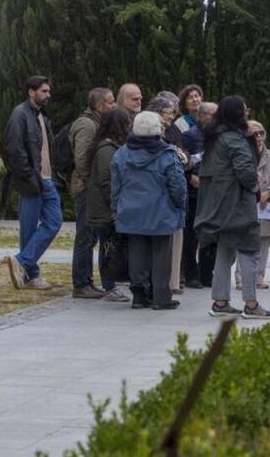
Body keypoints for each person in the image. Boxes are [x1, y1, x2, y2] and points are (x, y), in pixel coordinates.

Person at [194, 95, 270, 319]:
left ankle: (220, 302)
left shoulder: (214, 137)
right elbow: (246, 173)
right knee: (249, 251)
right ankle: (251, 304)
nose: (247, 113)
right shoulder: (236, 139)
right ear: (238, 114)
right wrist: (256, 187)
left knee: (225, 251)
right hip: (238, 205)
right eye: (244, 110)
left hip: (218, 206)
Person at [110, 111, 187, 310]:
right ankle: (161, 296)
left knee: (137, 252)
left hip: (131, 211)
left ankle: (139, 296)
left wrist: (116, 208)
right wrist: (180, 204)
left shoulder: (121, 153)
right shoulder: (167, 154)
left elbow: (116, 186)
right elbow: (177, 185)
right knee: (162, 254)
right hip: (161, 211)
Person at [3, 75, 61, 290]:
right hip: (32, 180)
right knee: (29, 229)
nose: (48, 95)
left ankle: (23, 262)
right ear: (31, 92)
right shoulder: (20, 114)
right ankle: (30, 274)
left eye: (48, 91)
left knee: (54, 222)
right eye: (44, 91)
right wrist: (28, 176)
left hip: (46, 179)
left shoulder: (41, 116)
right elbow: (14, 149)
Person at [69, 87, 117, 299]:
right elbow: (81, 160)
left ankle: (87, 281)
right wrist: (91, 184)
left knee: (90, 237)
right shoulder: (87, 125)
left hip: (90, 188)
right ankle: (81, 283)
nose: (114, 105)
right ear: (100, 106)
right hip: (86, 189)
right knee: (85, 236)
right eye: (111, 102)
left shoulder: (95, 123)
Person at [85, 107, 133, 302]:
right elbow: (107, 181)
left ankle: (111, 282)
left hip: (109, 206)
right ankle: (109, 285)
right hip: (106, 209)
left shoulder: (113, 147)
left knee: (109, 245)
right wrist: (116, 206)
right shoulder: (106, 150)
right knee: (108, 247)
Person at [236, 120, 270, 289]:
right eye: (254, 134)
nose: (258, 137)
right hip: (246, 203)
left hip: (267, 206)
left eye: (261, 133)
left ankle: (259, 276)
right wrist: (256, 193)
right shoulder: (240, 153)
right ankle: (241, 277)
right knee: (244, 241)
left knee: (264, 242)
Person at [149, 96, 189, 294]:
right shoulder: (152, 137)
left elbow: (185, 156)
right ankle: (161, 285)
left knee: (175, 241)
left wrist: (184, 158)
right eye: (169, 112)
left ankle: (172, 282)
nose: (172, 117)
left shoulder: (172, 132)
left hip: (172, 197)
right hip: (162, 197)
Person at [182, 100, 218, 288]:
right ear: (202, 116)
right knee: (191, 236)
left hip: (212, 193)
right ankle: (191, 273)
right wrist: (190, 176)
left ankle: (207, 272)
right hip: (195, 194)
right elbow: (182, 161)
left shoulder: (218, 136)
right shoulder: (190, 136)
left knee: (210, 235)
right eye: (212, 115)